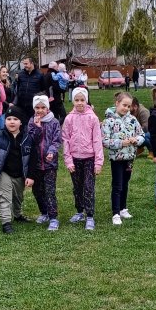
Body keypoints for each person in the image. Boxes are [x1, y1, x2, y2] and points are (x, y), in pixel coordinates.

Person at [0, 106, 36, 234]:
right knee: (4, 196)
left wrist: (30, 176)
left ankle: (18, 215)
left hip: (20, 174)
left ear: (21, 122)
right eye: (8, 119)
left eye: (15, 119)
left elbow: (32, 159)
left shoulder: (28, 138)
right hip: (4, 172)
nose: (12, 122)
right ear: (5, 121)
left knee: (17, 197)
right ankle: (6, 222)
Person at [62, 87, 103, 231]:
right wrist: (68, 161)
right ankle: (80, 211)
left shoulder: (93, 118)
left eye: (82, 100)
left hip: (89, 158)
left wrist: (98, 163)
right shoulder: (69, 118)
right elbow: (65, 140)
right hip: (74, 159)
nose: (80, 103)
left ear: (86, 100)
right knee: (77, 187)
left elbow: (97, 141)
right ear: (73, 101)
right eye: (77, 100)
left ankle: (90, 215)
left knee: (88, 187)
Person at [102, 92, 143, 225]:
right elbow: (104, 141)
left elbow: (142, 135)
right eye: (124, 105)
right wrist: (121, 143)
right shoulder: (108, 121)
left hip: (130, 157)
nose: (126, 108)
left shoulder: (133, 119)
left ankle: (123, 208)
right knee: (117, 185)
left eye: (129, 106)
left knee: (125, 183)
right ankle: (115, 213)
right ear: (117, 104)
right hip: (117, 159)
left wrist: (136, 139)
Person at [27, 95, 61, 231]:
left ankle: (53, 218)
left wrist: (51, 152)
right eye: (37, 107)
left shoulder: (54, 122)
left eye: (43, 107)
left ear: (47, 108)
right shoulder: (32, 121)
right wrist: (37, 127)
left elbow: (57, 140)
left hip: (50, 164)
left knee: (49, 190)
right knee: (37, 190)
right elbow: (30, 139)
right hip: (36, 163)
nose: (40, 110)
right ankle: (44, 212)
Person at [13, 57, 45, 122]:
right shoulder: (21, 74)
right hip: (21, 106)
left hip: (33, 106)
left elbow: (43, 90)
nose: (25, 66)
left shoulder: (40, 75)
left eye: (26, 64)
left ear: (32, 63)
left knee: (33, 125)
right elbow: (18, 89)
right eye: (24, 64)